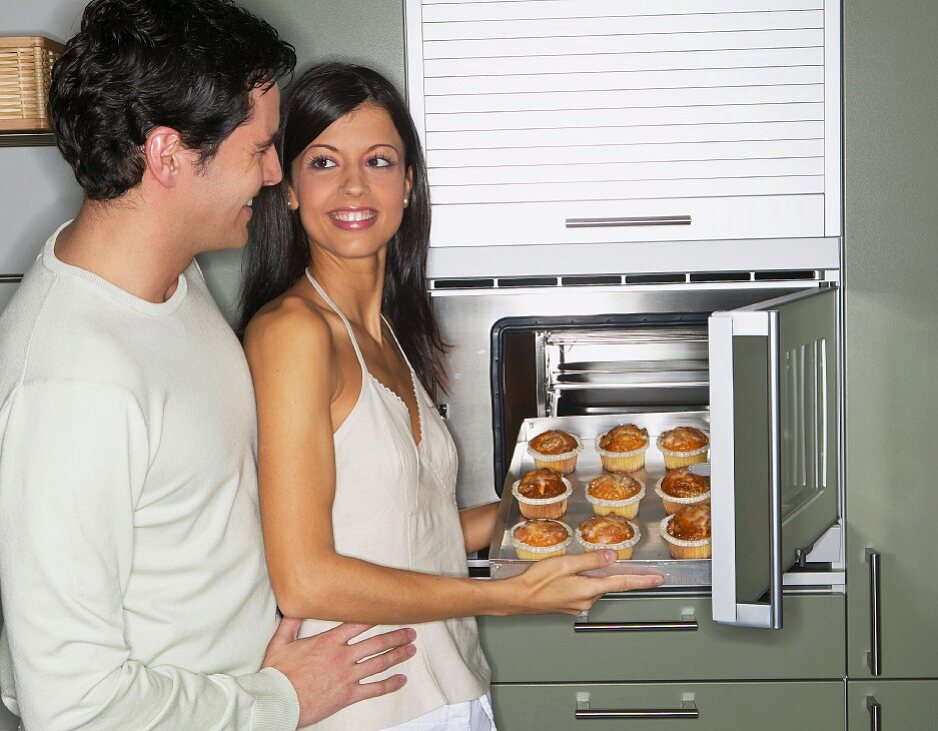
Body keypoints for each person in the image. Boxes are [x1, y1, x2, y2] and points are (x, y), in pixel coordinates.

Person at [0, 3, 416, 729]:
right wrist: (281, 699)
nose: (275, 175)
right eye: (259, 149)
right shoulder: (68, 386)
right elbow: (76, 708)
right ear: (169, 155)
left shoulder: (172, 282)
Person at [240, 62, 666, 731]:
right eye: (324, 162)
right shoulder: (294, 332)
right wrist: (512, 596)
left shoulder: (386, 336)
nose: (354, 183)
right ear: (289, 188)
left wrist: (563, 509)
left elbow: (412, 527)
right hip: (370, 706)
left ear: (408, 184)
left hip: (449, 687)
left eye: (379, 160)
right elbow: (304, 576)